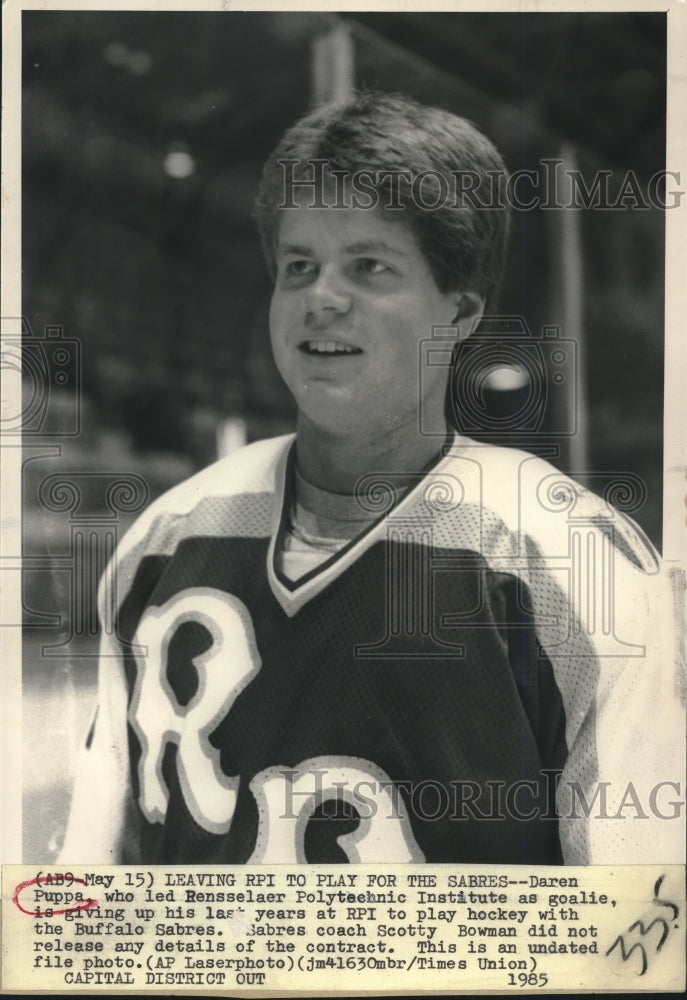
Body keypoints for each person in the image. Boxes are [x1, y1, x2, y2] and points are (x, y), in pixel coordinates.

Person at [59, 91, 683, 866]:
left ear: (459, 312)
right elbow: (88, 883)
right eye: (299, 267)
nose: (321, 298)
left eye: (369, 266)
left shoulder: (569, 557)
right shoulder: (167, 537)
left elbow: (636, 930)